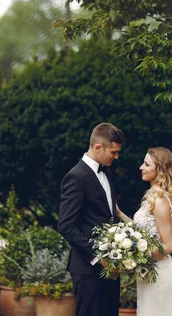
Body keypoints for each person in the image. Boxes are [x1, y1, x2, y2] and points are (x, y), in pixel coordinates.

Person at [116, 147, 172, 316]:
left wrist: (137, 255)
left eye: (146, 164)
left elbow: (168, 245)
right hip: (149, 275)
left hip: (159, 275)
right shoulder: (153, 197)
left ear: (159, 169)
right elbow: (142, 231)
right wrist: (118, 213)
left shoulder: (160, 201)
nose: (141, 167)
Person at [57, 122, 125, 316]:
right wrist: (98, 257)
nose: (116, 156)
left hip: (111, 267)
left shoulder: (107, 172)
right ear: (98, 147)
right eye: (113, 152)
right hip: (87, 269)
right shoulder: (76, 177)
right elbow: (66, 225)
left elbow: (107, 217)